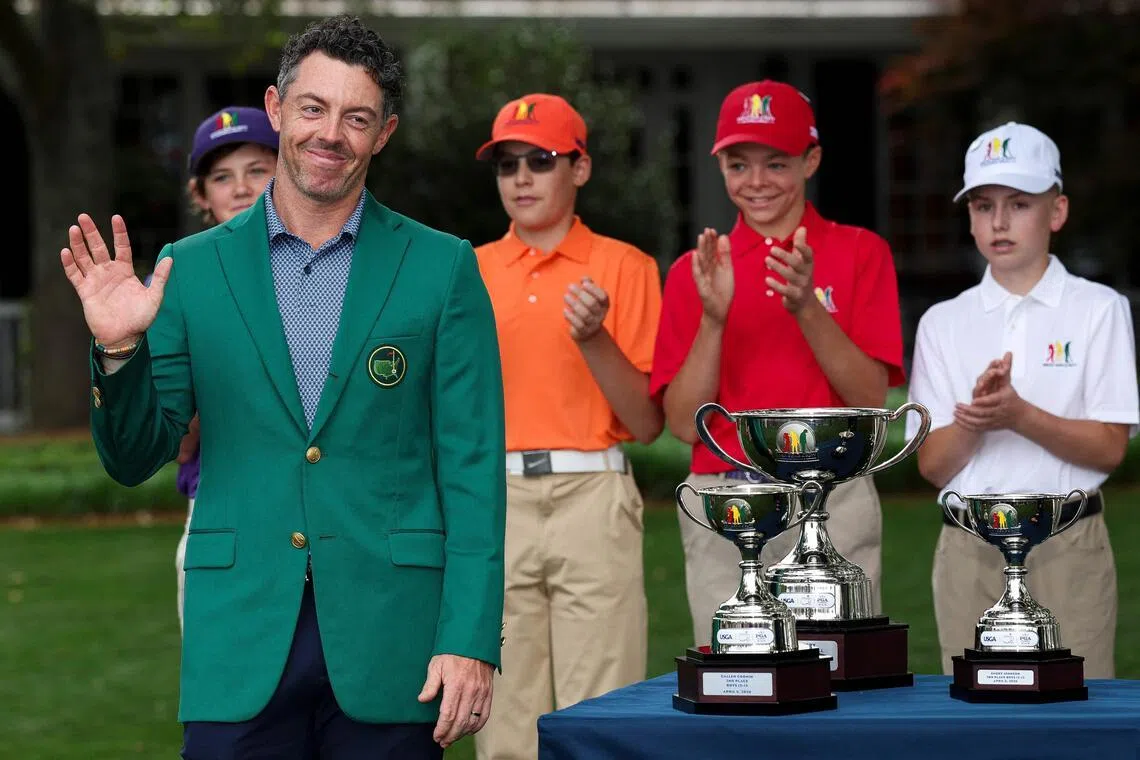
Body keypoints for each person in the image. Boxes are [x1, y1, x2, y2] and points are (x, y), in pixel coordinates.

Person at [60, 15, 505, 758]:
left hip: (392, 635)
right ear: (276, 108)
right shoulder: (190, 269)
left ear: (384, 133)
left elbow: (473, 469)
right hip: (240, 634)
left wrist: (469, 638)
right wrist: (118, 348)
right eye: (313, 108)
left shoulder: (442, 267)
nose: (331, 133)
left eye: (356, 117)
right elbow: (134, 457)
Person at [649, 80, 906, 648]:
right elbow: (682, 423)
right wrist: (714, 318)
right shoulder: (696, 270)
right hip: (727, 498)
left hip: (833, 496)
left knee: (839, 671)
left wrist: (807, 307)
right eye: (739, 164)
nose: (757, 181)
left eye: (777, 163)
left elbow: (871, 400)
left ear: (811, 160)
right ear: (720, 167)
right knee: (735, 678)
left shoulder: (860, 252)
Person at [906, 121, 1138, 679]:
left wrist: (1019, 414)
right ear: (970, 217)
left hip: (1067, 544)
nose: (999, 222)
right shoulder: (943, 321)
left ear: (1057, 212)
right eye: (983, 206)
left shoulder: (1099, 309)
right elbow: (933, 465)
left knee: (1075, 707)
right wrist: (978, 420)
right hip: (970, 548)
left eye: (1019, 204)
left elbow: (1109, 448)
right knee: (975, 712)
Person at [471, 93, 663, 760]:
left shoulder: (628, 267)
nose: (521, 178)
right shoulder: (468, 272)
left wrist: (593, 338)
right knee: (501, 720)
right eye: (507, 164)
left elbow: (646, 421)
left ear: (579, 168)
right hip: (495, 500)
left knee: (602, 714)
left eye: (541, 160)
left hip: (593, 496)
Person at [169, 104, 279, 633]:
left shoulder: (332, 269)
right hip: (219, 504)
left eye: (257, 170)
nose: (240, 188)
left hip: (327, 507)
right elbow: (175, 441)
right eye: (221, 177)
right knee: (221, 666)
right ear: (200, 195)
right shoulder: (176, 281)